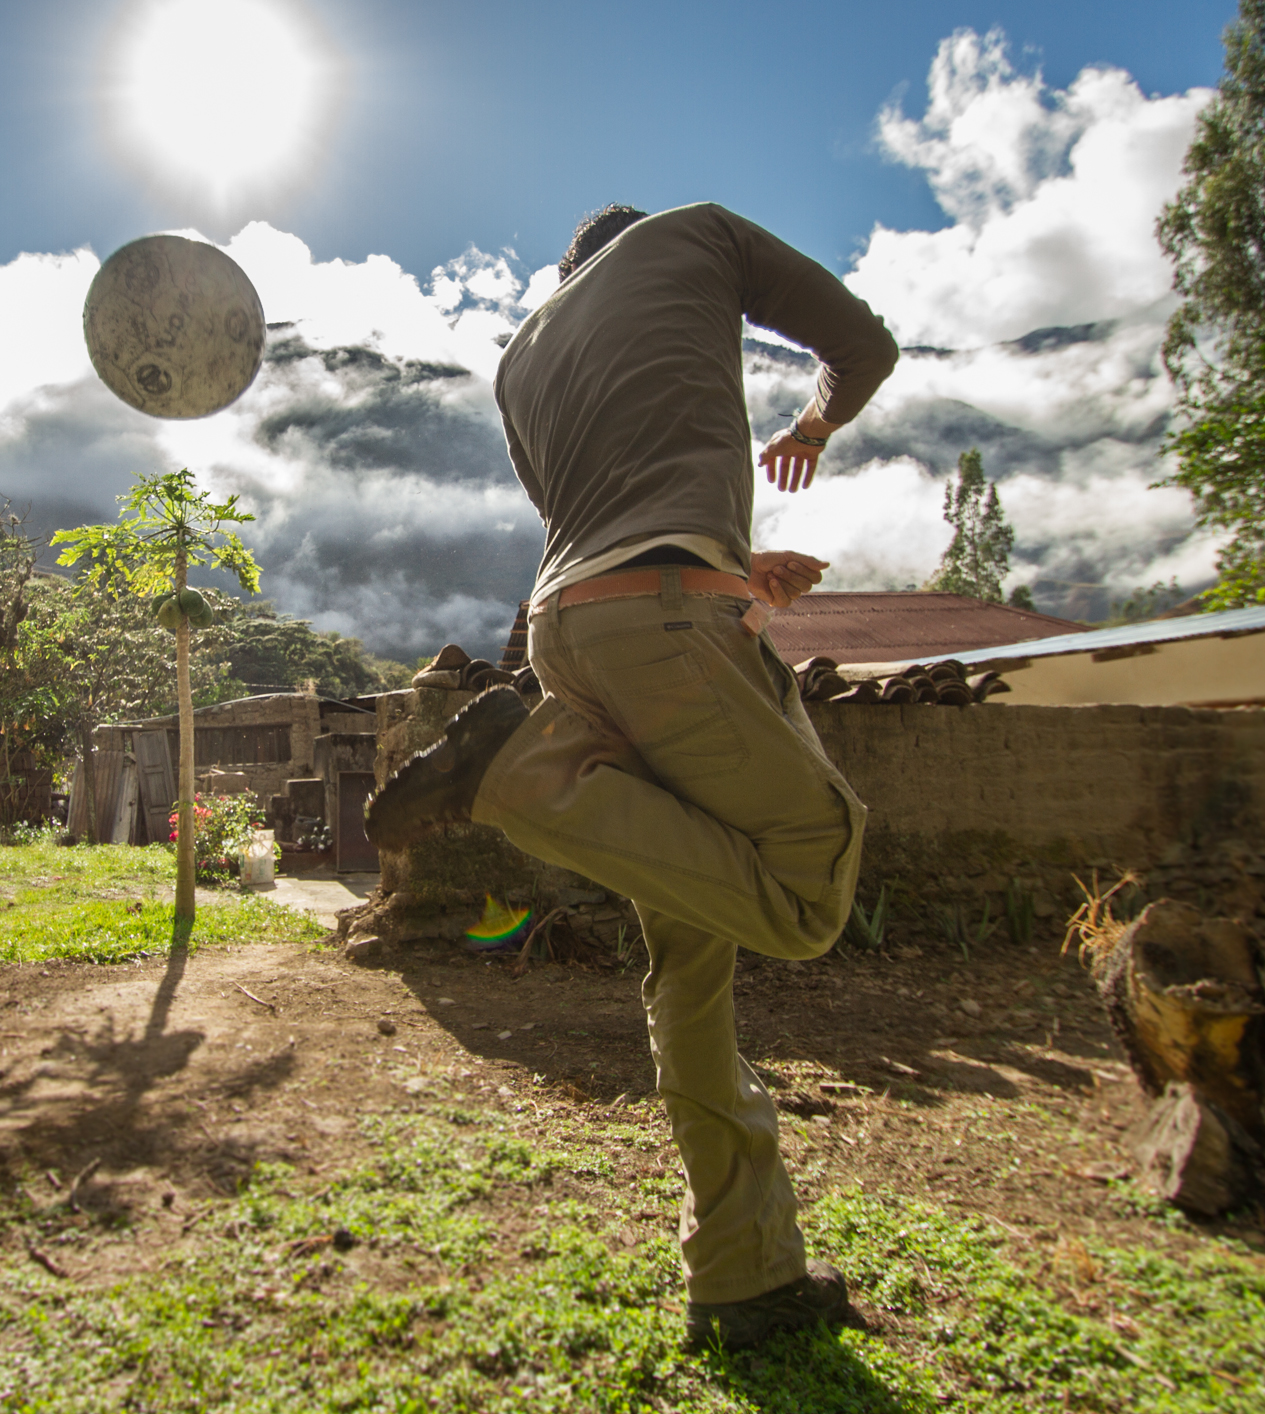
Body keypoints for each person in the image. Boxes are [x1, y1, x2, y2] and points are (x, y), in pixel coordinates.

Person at [366, 202, 899, 1350]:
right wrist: (812, 422)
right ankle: (520, 775)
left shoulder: (519, 361)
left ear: (569, 279)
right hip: (663, 631)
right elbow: (865, 347)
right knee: (807, 888)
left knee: (692, 972)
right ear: (636, 237)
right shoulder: (699, 232)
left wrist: (728, 565)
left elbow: (593, 519)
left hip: (571, 630)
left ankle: (742, 1275)